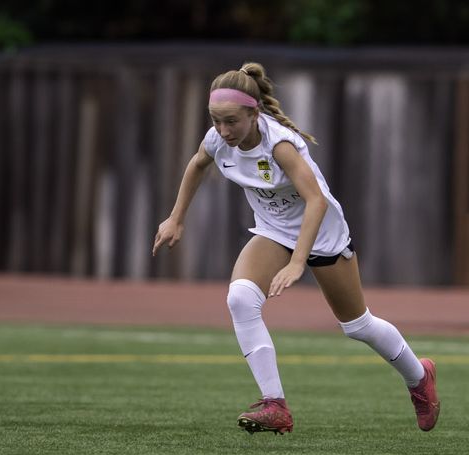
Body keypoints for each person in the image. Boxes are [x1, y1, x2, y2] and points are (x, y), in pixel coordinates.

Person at [152, 61, 440, 435]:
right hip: (274, 232)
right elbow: (196, 165)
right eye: (215, 120)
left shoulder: (280, 146)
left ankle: (420, 379)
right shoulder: (216, 139)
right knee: (240, 298)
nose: (223, 131)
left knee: (357, 325)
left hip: (322, 235)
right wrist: (176, 218)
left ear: (254, 114)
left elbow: (316, 201)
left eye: (231, 121)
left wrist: (298, 262)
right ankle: (275, 405)